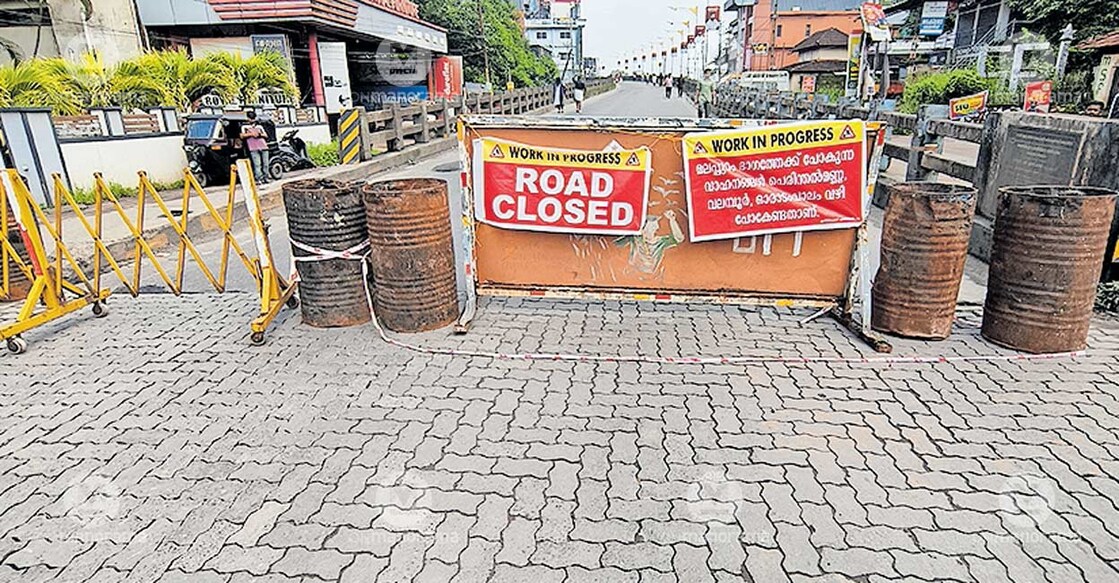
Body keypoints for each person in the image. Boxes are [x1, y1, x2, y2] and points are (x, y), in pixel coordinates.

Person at [241, 111, 270, 184]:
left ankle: (266, 177)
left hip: (263, 146)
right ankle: (259, 178)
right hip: (253, 147)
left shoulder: (259, 126)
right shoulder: (244, 127)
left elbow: (266, 135)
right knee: (257, 164)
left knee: (265, 163)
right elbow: (242, 135)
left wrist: (259, 134)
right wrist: (251, 134)